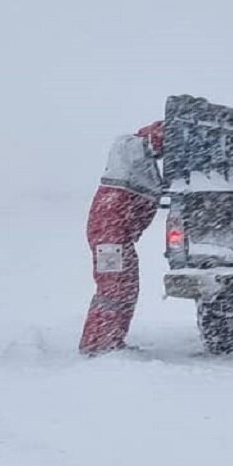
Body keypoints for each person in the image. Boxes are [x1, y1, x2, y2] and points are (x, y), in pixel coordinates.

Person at [79, 121, 165, 355]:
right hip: (111, 239)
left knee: (123, 287)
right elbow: (152, 141)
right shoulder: (129, 149)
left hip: (116, 237)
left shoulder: (135, 162)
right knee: (114, 288)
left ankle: (107, 340)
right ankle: (99, 344)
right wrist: (173, 131)